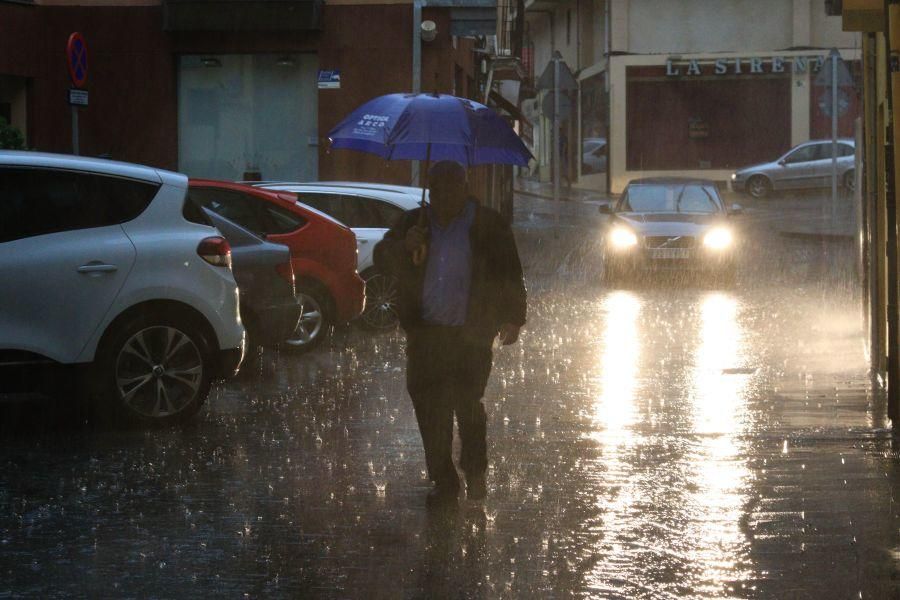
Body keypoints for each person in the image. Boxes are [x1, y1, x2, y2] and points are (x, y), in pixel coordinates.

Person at [373, 160, 527, 506]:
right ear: (430, 190)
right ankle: (444, 481)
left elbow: (510, 273)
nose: (443, 195)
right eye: (437, 188)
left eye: (451, 187)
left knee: (467, 406)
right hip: (425, 335)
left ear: (463, 187)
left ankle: (474, 471)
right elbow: (382, 257)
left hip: (471, 335)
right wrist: (404, 245)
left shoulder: (488, 225)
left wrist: (513, 318)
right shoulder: (414, 223)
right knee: (430, 410)